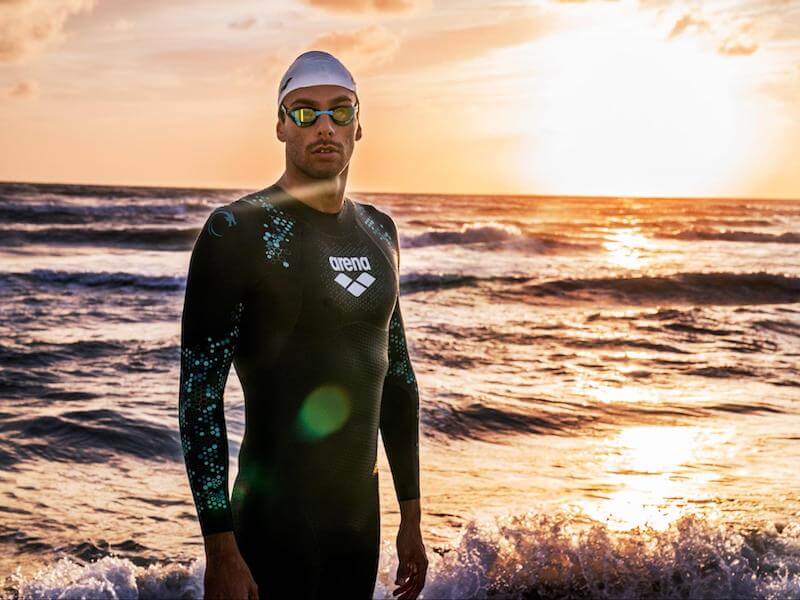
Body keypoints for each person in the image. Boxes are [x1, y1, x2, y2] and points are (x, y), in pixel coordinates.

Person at [177, 49, 428, 600]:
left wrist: (411, 519)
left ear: (359, 126)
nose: (323, 126)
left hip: (359, 525)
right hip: (272, 523)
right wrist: (220, 548)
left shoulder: (380, 232)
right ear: (280, 124)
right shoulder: (235, 232)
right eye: (304, 111)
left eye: (340, 111)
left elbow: (397, 379)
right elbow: (199, 399)